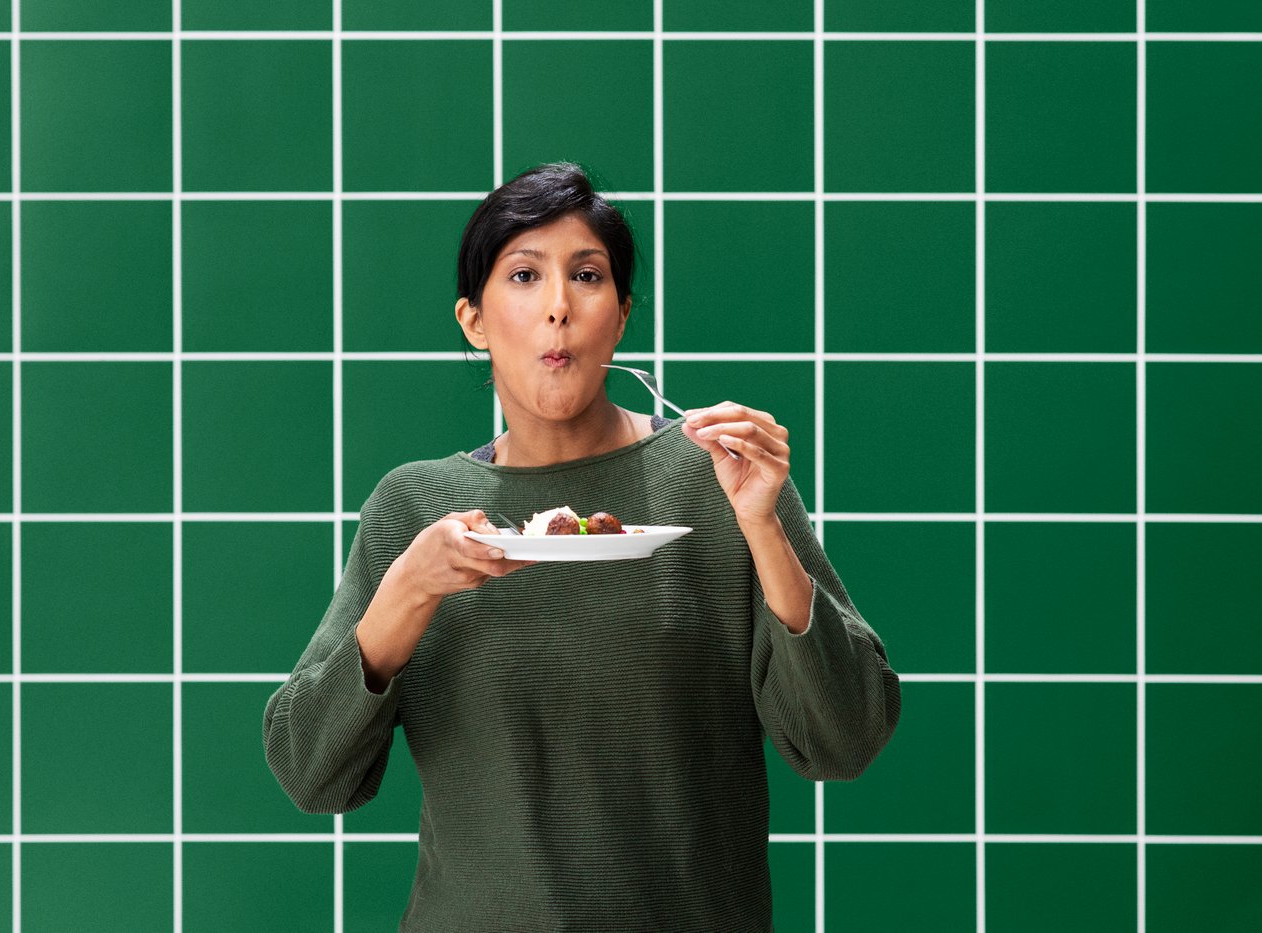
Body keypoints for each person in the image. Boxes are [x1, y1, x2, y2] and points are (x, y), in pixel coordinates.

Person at [263, 162, 901, 931]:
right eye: (525, 275)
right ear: (473, 319)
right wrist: (405, 593)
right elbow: (311, 774)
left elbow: (846, 738)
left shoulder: (718, 482)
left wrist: (763, 525)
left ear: (623, 315)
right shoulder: (414, 508)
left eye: (588, 276)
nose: (558, 308)